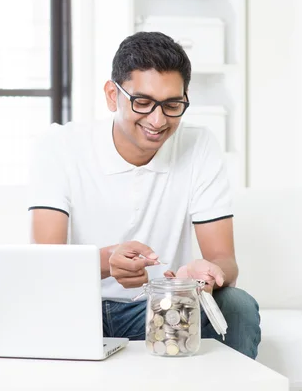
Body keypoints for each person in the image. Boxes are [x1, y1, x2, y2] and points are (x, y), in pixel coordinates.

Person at [27, 31, 261, 359]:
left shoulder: (199, 146)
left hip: (160, 309)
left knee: (235, 305)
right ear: (112, 95)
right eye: (142, 102)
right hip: (74, 310)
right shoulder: (60, 146)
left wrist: (206, 274)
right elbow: (45, 261)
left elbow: (226, 261)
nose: (157, 120)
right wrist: (108, 261)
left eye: (172, 105)